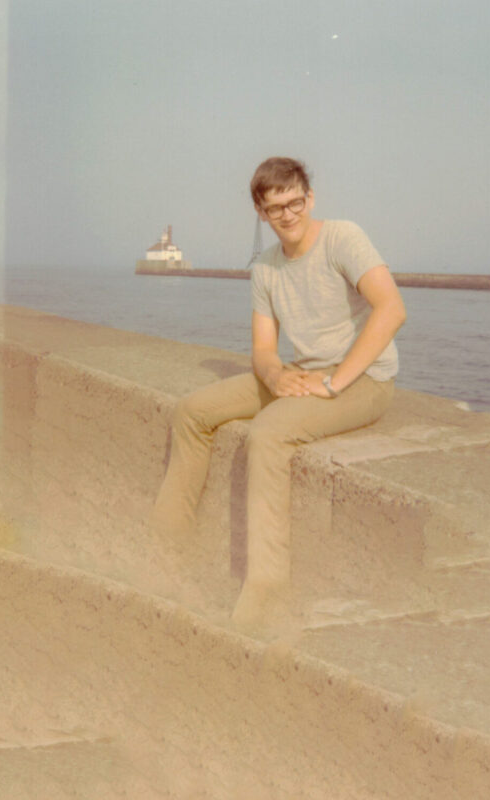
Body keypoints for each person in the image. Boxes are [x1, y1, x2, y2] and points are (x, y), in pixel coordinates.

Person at [151, 157, 406, 631]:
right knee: (192, 411)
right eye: (276, 208)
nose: (288, 215)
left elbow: (391, 309)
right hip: (302, 374)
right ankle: (167, 539)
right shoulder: (266, 269)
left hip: (365, 381)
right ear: (260, 212)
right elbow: (264, 351)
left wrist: (335, 382)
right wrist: (275, 378)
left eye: (295, 203)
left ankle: (265, 586)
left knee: (268, 433)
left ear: (310, 198)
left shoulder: (342, 238)